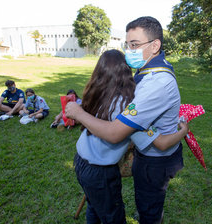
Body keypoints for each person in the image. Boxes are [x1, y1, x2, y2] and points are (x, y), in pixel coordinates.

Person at [66, 16, 184, 223]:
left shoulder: (156, 82)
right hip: (140, 156)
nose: (129, 51)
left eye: (135, 45)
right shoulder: (147, 70)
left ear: (155, 45)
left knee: (148, 212)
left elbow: (114, 133)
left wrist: (78, 113)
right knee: (134, 208)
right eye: (128, 45)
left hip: (155, 161)